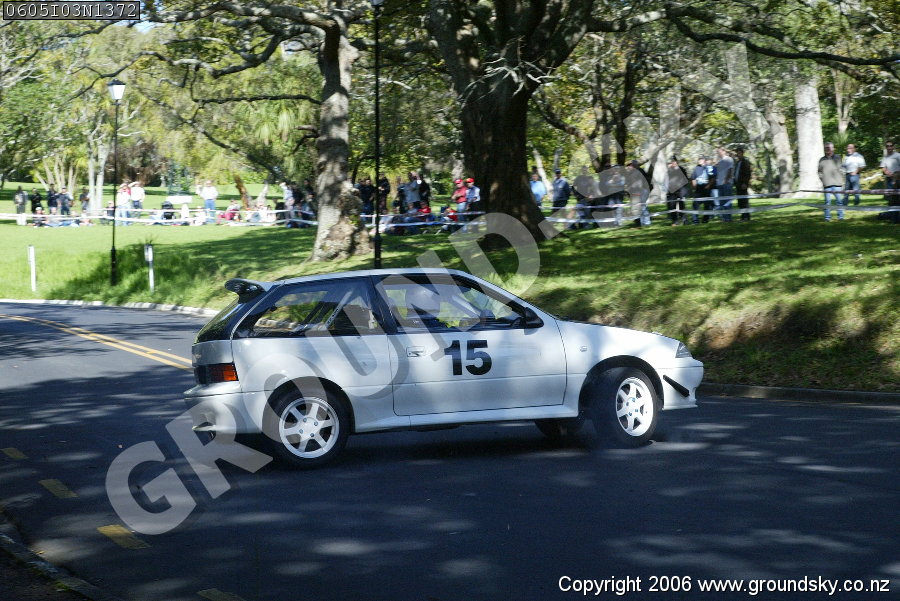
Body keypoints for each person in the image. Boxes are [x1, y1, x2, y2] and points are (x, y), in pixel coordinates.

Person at [818, 142, 844, 221]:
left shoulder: (838, 157)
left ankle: (840, 217)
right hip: (827, 184)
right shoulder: (822, 159)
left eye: (829, 148)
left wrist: (841, 178)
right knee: (827, 202)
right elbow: (819, 172)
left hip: (837, 184)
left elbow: (842, 169)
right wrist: (823, 179)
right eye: (826, 148)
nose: (827, 149)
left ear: (833, 149)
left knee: (839, 201)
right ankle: (827, 217)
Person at [665, 157, 690, 226]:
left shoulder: (682, 169)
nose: (673, 163)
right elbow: (667, 181)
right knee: (672, 206)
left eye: (674, 161)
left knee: (682, 206)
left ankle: (685, 220)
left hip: (680, 191)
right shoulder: (669, 170)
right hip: (672, 191)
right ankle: (675, 221)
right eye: (672, 162)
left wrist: (683, 190)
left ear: (677, 162)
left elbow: (685, 180)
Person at [880, 140, 899, 223]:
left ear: (893, 147)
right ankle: (892, 217)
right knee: (891, 199)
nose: (889, 147)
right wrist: (887, 172)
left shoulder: (898, 155)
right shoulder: (885, 157)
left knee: (896, 199)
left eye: (890, 145)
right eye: (887, 146)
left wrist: (896, 175)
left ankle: (896, 218)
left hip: (898, 180)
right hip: (889, 180)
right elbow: (883, 167)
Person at [733, 147, 753, 222]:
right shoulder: (737, 163)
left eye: (739, 153)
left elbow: (748, 174)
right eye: (737, 153)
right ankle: (743, 216)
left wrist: (745, 183)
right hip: (738, 184)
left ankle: (746, 217)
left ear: (742, 153)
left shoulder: (745, 162)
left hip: (743, 184)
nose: (738, 155)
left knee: (744, 201)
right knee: (740, 201)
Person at [715, 147, 734, 222]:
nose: (718, 153)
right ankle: (724, 218)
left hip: (726, 183)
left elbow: (730, 170)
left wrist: (726, 180)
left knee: (727, 201)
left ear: (724, 151)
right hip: (719, 184)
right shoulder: (720, 161)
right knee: (721, 202)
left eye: (719, 151)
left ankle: (728, 218)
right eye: (717, 152)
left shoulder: (729, 159)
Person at [690, 156, 711, 224]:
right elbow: (693, 178)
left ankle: (705, 219)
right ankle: (695, 220)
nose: (699, 161)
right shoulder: (696, 168)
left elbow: (713, 178)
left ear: (704, 160)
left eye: (701, 160)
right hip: (699, 188)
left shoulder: (708, 167)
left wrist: (708, 185)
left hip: (706, 187)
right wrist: (695, 186)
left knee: (707, 205)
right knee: (695, 204)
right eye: (699, 160)